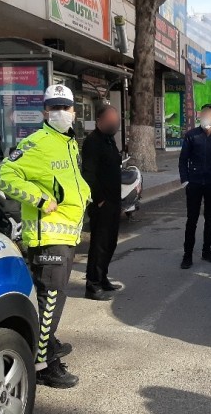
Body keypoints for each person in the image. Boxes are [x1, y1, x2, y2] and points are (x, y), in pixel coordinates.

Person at [0, 84, 91, 389]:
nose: (61, 113)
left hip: (65, 234)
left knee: (52, 300)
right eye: (55, 108)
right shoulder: (36, 143)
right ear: (44, 112)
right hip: (48, 235)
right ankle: (43, 365)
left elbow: (68, 181)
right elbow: (3, 175)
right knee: (50, 300)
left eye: (66, 107)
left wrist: (84, 194)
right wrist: (39, 199)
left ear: (74, 111)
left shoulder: (69, 142)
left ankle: (45, 342)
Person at [81, 104, 123, 301]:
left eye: (116, 120)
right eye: (111, 120)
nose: (115, 124)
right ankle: (93, 284)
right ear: (100, 121)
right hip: (102, 202)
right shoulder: (93, 142)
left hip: (114, 200)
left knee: (110, 242)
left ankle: (103, 277)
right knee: (99, 244)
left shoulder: (109, 139)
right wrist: (98, 200)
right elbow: (88, 175)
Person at [179, 104, 211, 269]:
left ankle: (207, 251)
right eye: (202, 114)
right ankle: (187, 255)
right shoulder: (192, 135)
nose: (205, 117)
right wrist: (185, 180)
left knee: (210, 218)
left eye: (208, 115)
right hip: (195, 183)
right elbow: (183, 159)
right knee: (192, 219)